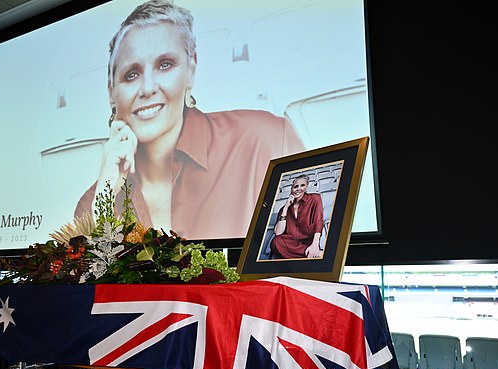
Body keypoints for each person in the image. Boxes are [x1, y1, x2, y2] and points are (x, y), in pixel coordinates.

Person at [75, 0, 304, 239]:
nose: (148, 88)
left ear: (191, 69)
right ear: (111, 91)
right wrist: (105, 198)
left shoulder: (266, 140)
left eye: (165, 65)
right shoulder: (92, 203)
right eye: (131, 75)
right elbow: (89, 272)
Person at [269, 175, 324, 259]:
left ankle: (311, 251)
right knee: (276, 242)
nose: (298, 189)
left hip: (309, 242)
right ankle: (310, 253)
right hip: (291, 243)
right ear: (291, 189)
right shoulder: (283, 209)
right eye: (295, 186)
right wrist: (286, 207)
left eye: (302, 185)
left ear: (306, 187)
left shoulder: (315, 198)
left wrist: (315, 244)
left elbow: (318, 222)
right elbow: (278, 233)